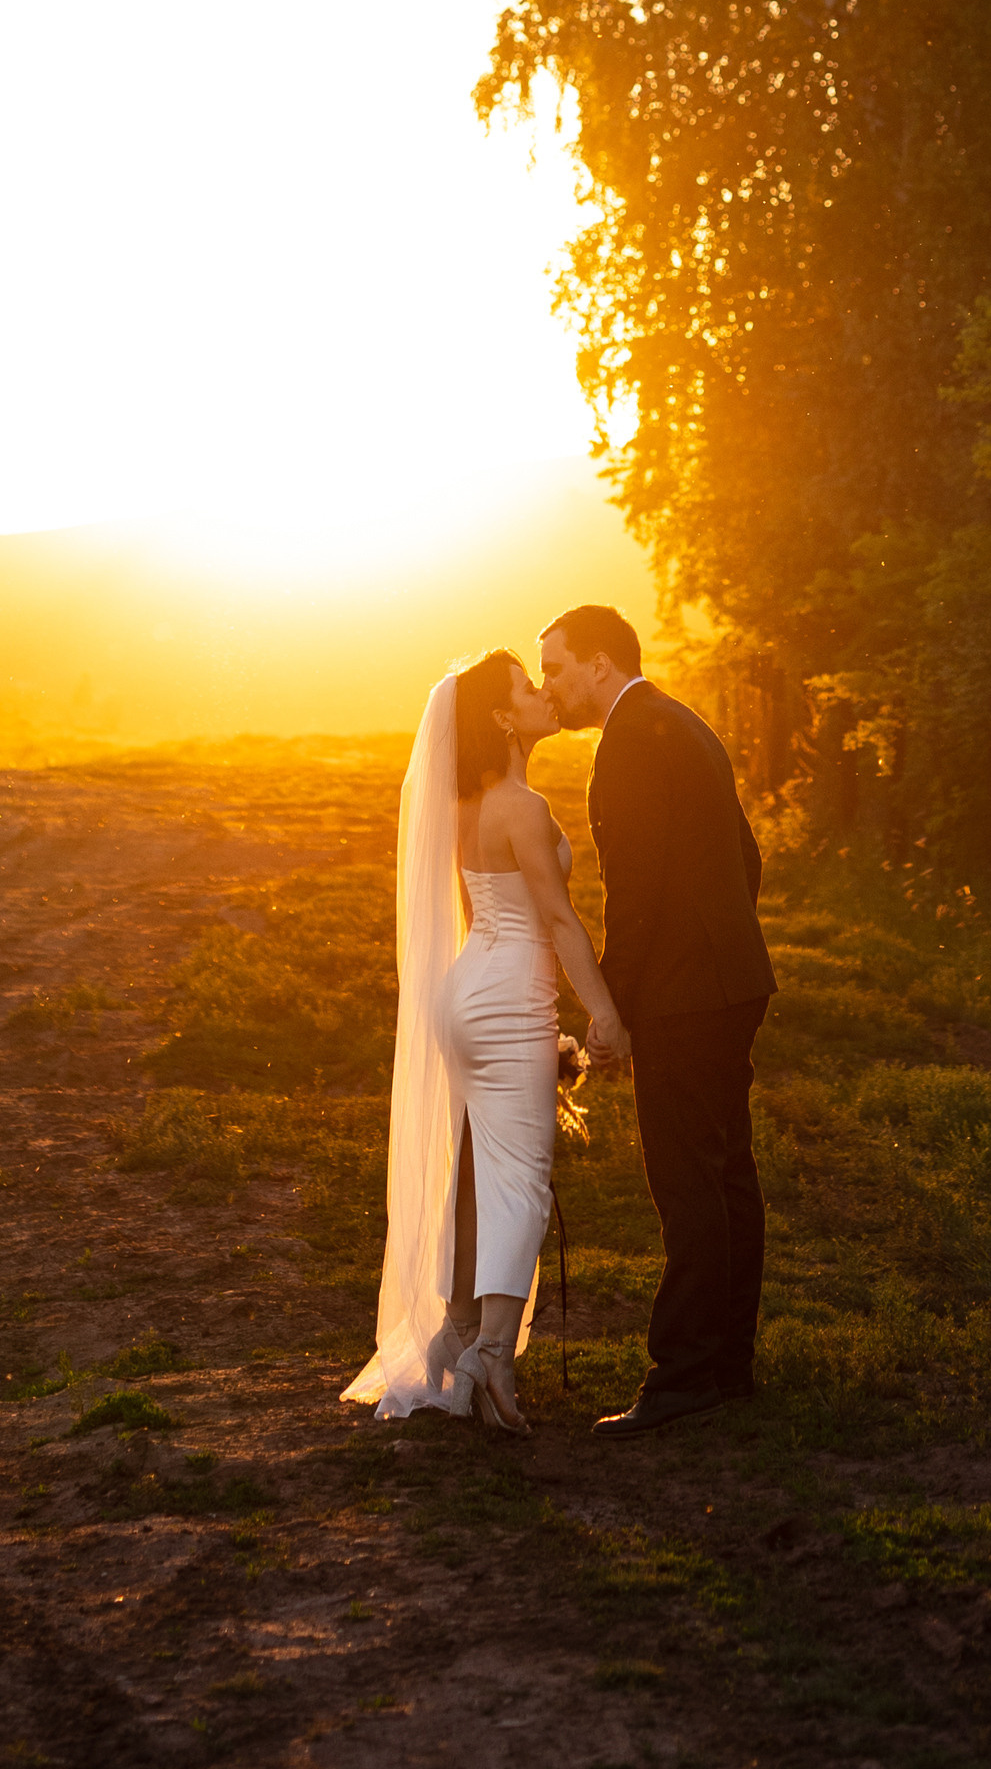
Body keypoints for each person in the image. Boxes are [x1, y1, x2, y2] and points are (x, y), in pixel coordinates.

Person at [344, 649, 628, 1434]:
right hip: (507, 996)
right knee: (522, 1181)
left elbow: (489, 914)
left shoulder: (467, 804)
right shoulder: (519, 807)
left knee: (476, 1175)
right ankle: (492, 1354)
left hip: (473, 990)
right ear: (502, 719)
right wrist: (603, 1016)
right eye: (528, 689)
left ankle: (456, 1327)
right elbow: (560, 922)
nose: (544, 695)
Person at [538, 604, 776, 1435]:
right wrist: (722, 945)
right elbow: (747, 859)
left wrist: (615, 1009)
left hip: (687, 996)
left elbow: (633, 897)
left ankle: (682, 1379)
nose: (550, 687)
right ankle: (729, 1365)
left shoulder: (630, 742)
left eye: (559, 669)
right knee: (727, 1175)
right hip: (735, 981)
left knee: (686, 1181)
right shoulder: (683, 723)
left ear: (601, 665)